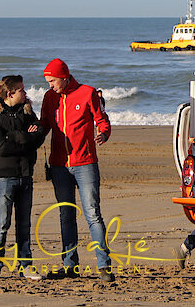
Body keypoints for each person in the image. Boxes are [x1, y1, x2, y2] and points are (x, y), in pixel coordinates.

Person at [40, 58, 115, 282]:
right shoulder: (49, 97)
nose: (50, 85)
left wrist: (103, 133)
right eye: (48, 82)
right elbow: (44, 125)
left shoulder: (87, 93)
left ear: (64, 77)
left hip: (85, 163)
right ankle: (69, 265)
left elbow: (102, 120)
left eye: (52, 81)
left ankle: (104, 266)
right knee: (66, 215)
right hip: (59, 165)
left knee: (92, 213)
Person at [0, 75, 48, 280]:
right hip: (5, 177)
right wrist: (24, 138)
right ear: (10, 93)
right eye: (21, 89)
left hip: (26, 174)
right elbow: (0, 148)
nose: (25, 92)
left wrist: (18, 137)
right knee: (2, 223)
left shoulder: (28, 113)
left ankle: (26, 265)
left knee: (24, 224)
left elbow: (39, 134)